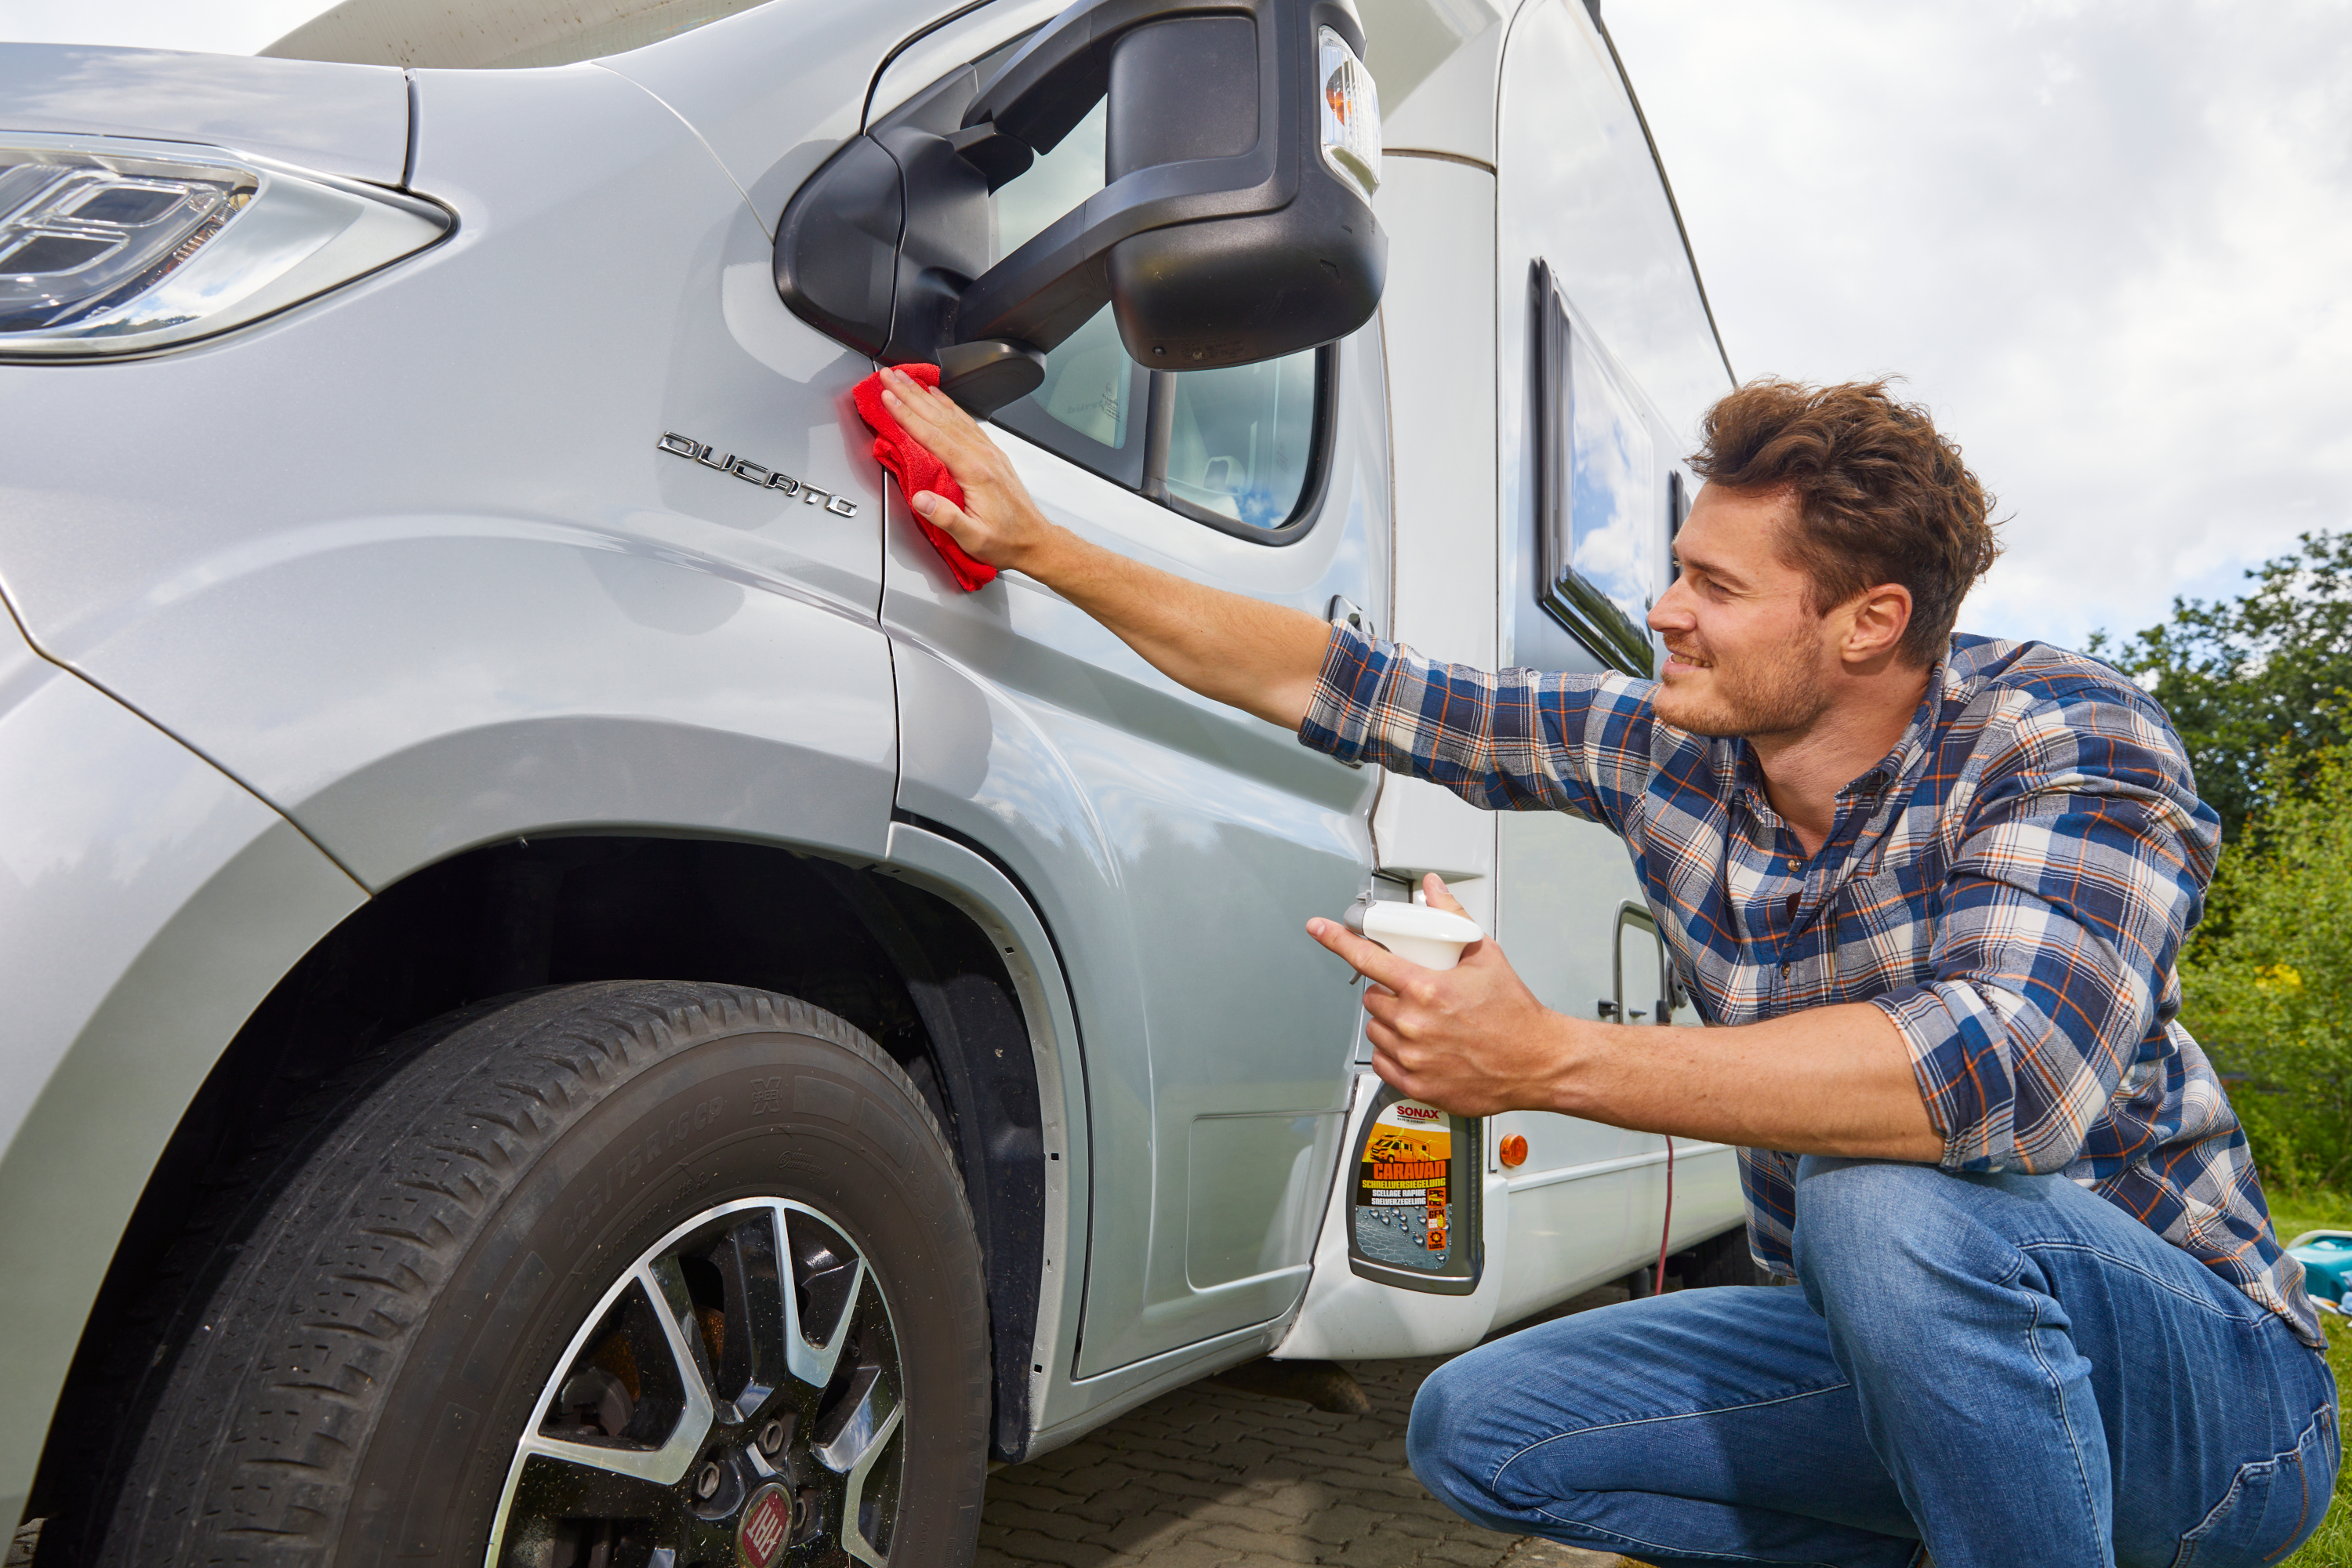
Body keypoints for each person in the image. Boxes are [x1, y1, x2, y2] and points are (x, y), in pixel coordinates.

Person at [874, 368, 2336, 1568]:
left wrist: (1546, 1058)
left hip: (2209, 1394)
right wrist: (1040, 543)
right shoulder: (1666, 750)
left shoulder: (2058, 735)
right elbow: (1344, 686)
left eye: (1713, 583)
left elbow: (2006, 1076)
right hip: (1887, 1349)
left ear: (1870, 621)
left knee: (1883, 1190)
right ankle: (1993, 1519)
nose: (1664, 611)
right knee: (1484, 1430)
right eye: (1677, 570)